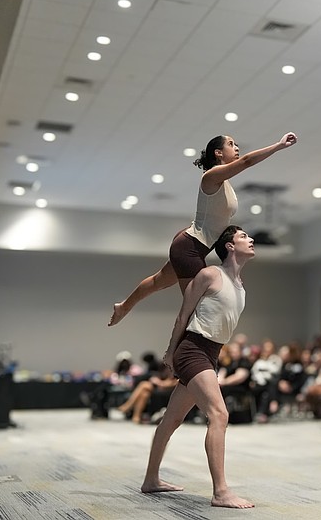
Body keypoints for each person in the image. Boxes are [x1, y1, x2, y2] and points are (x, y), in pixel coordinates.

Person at [108, 132, 297, 326]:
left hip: (191, 244)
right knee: (195, 309)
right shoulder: (211, 176)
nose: (237, 147)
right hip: (191, 246)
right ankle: (181, 353)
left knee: (161, 281)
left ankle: (124, 306)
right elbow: (247, 161)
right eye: (231, 144)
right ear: (218, 153)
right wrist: (278, 146)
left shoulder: (224, 182)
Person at [140, 225, 256, 509]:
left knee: (172, 419)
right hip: (192, 349)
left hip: (211, 353)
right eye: (243, 236)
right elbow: (183, 316)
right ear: (229, 246)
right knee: (219, 413)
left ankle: (151, 480)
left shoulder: (240, 287)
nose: (250, 239)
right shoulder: (209, 274)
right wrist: (170, 351)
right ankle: (221, 492)